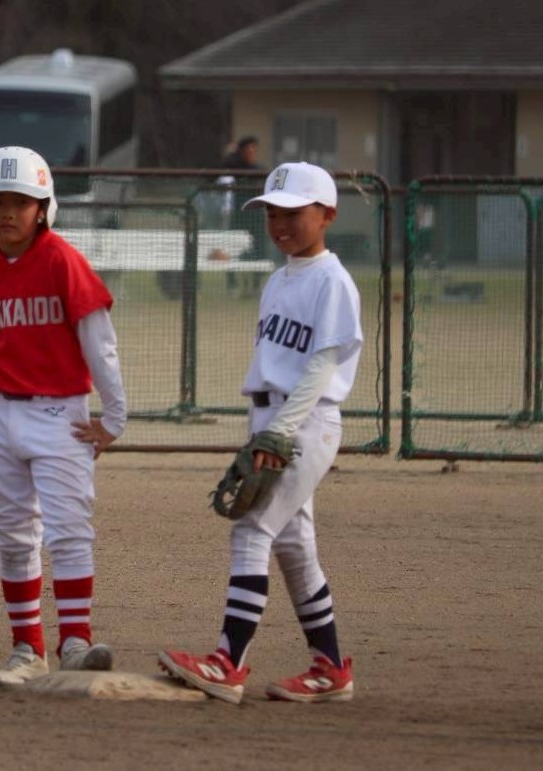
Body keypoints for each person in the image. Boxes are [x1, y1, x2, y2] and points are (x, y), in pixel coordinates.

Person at [158, 161, 363, 705]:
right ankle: (330, 668)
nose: (280, 224)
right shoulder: (278, 279)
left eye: (294, 213)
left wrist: (281, 434)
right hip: (272, 418)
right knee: (294, 545)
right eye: (273, 213)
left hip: (304, 420)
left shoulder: (333, 281)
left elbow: (321, 366)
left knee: (251, 531)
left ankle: (228, 662)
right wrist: (264, 429)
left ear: (328, 215)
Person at [0, 146, 128, 687]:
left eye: (21, 202)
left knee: (69, 530)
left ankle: (75, 642)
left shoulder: (62, 261)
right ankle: (27, 650)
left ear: (44, 207)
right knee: (12, 534)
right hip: (0, 414)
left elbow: (99, 341)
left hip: (60, 415)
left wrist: (114, 416)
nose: (8, 213)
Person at [221, 135, 267, 297]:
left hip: (256, 216)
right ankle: (232, 284)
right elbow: (226, 164)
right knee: (232, 249)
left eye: (254, 148)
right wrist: (233, 153)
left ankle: (256, 284)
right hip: (239, 215)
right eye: (248, 148)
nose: (252, 152)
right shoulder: (236, 166)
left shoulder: (258, 169)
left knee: (260, 249)